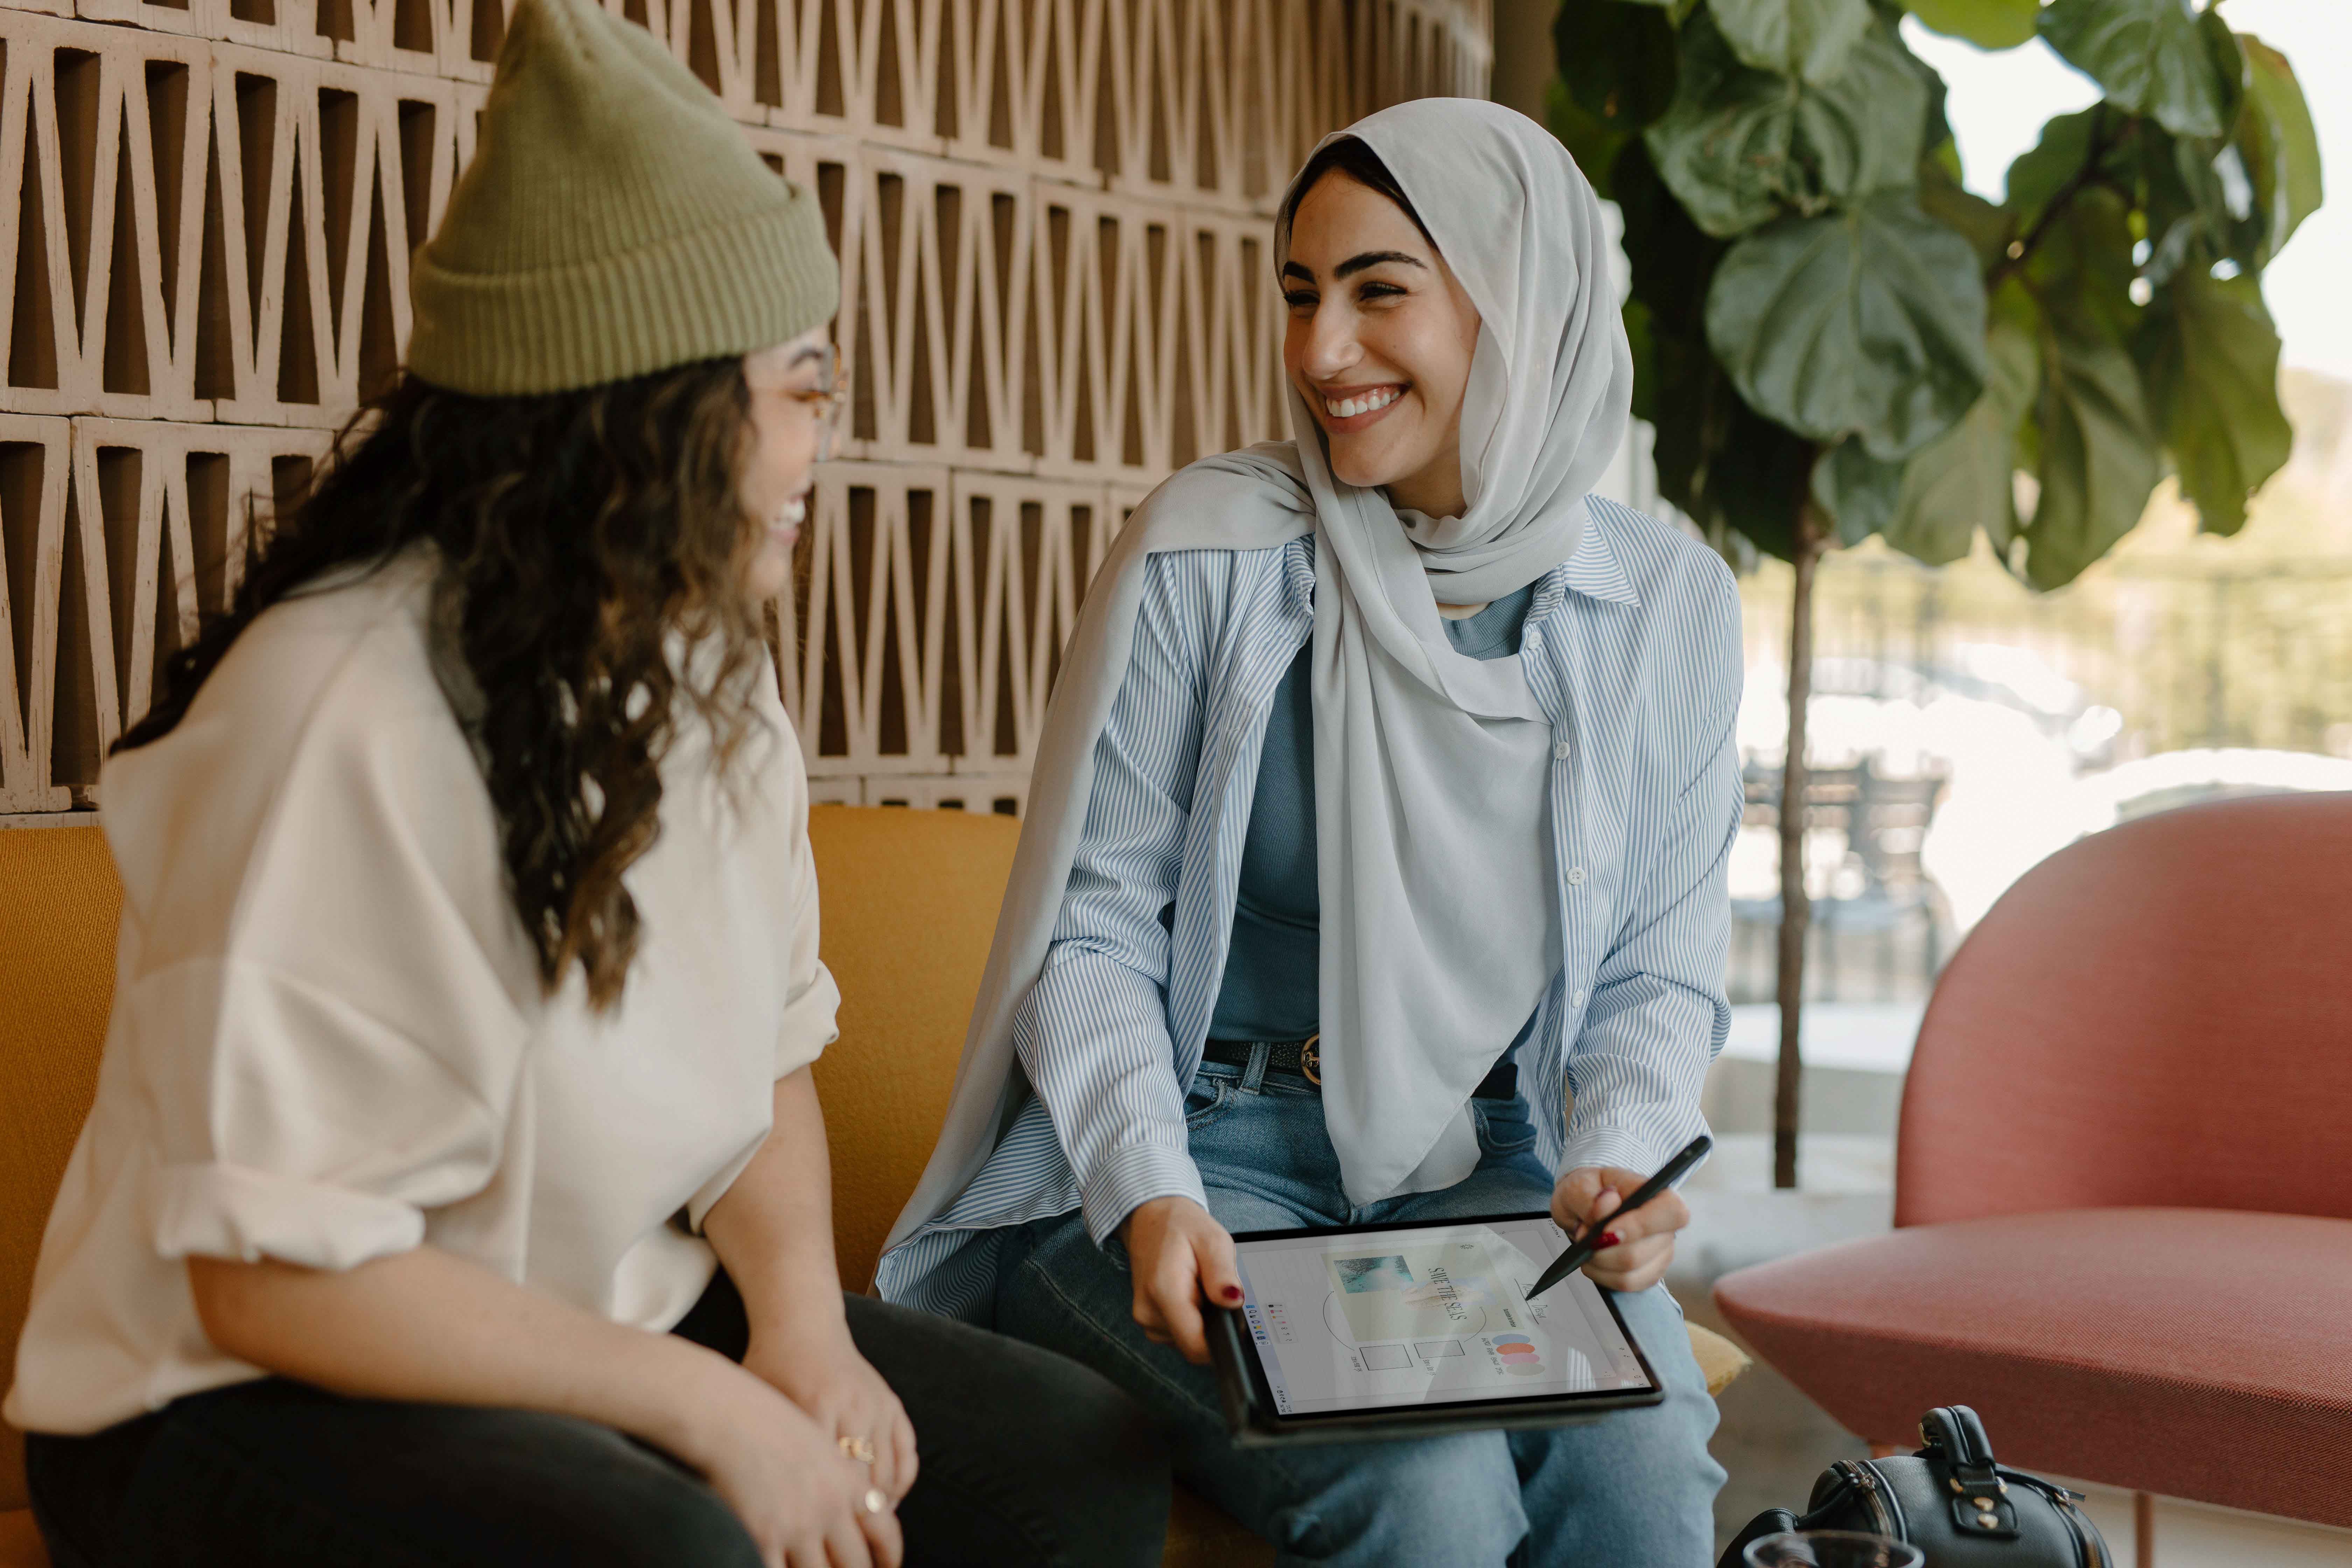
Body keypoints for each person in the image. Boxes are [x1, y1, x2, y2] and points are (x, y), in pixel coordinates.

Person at [2, 1, 1168, 1563]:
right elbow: (272, 1273)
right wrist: (708, 1412)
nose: (831, 437)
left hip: (581, 1316)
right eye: (805, 386)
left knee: (1071, 1463)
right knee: (673, 1544)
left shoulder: (708, 662)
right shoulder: (336, 703)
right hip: (228, 1390)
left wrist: (808, 1338)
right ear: (650, 409)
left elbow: (762, 1069)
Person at [875, 100, 1739, 1566]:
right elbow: (1091, 929)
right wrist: (1147, 1185)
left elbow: (1659, 970)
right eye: (1300, 292)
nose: (1320, 350)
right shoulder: (1214, 551)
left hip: (1494, 1163)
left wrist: (1622, 1158)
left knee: (1642, 1472)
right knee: (1429, 1486)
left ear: (1515, 305)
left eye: (1378, 289)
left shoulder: (1667, 606)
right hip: (1205, 1158)